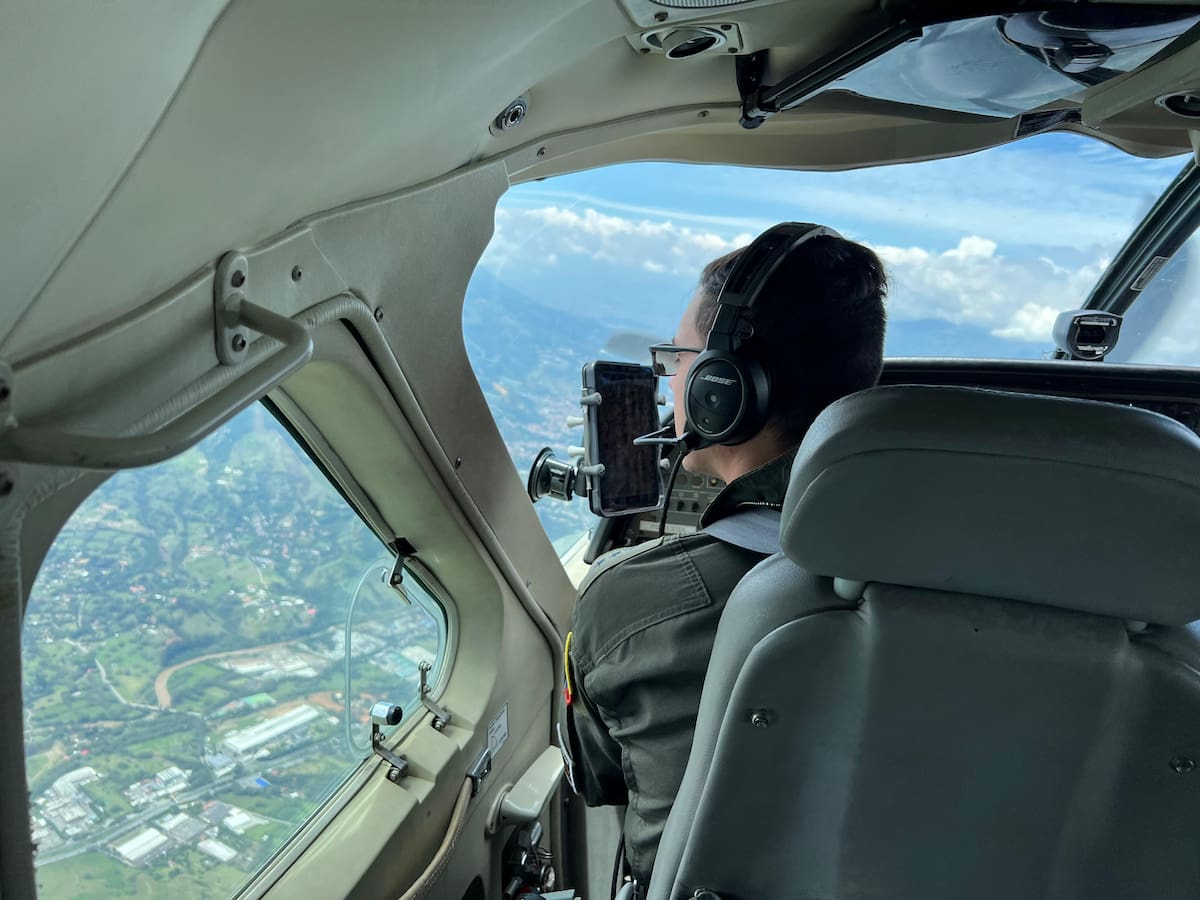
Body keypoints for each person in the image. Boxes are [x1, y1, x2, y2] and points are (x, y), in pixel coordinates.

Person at [564, 224, 888, 888]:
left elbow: (599, 781)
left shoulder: (630, 601)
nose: (673, 380)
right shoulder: (1007, 590)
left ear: (724, 386)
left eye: (681, 358)